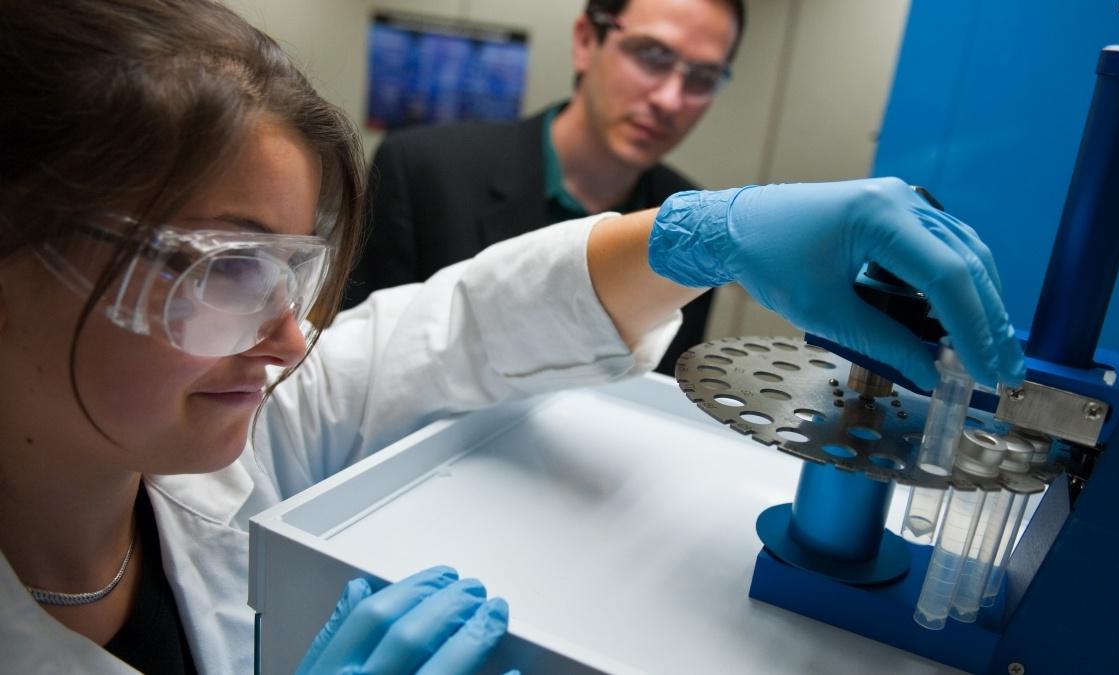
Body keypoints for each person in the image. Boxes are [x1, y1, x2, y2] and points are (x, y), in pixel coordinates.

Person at [0, 1, 1025, 673]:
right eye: (222, 270)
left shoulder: (228, 456)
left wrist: (704, 235)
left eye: (293, 271)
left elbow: (455, 328)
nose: (286, 335)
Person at [345, 0, 747, 377]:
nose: (670, 100)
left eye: (703, 78)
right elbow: (359, 369)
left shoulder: (695, 227)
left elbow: (659, 404)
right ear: (587, 41)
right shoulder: (423, 171)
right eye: (652, 55)